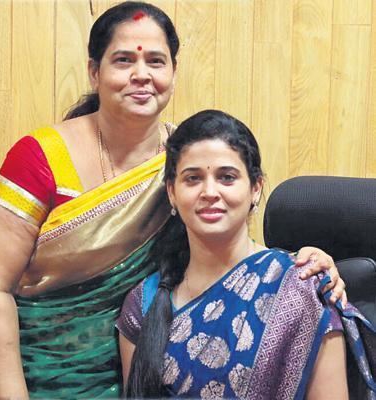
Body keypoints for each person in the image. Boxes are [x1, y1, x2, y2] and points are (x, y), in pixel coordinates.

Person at [0, 2, 346, 398]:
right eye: (122, 60)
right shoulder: (40, 158)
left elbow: (224, 260)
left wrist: (301, 268)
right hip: (32, 375)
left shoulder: (184, 161)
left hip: (144, 369)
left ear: (172, 72)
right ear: (94, 71)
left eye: (156, 60)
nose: (141, 75)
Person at [118, 109, 376, 399]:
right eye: (192, 179)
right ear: (171, 192)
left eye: (227, 177)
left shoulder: (302, 288)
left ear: (255, 188)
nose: (210, 191)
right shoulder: (144, 304)